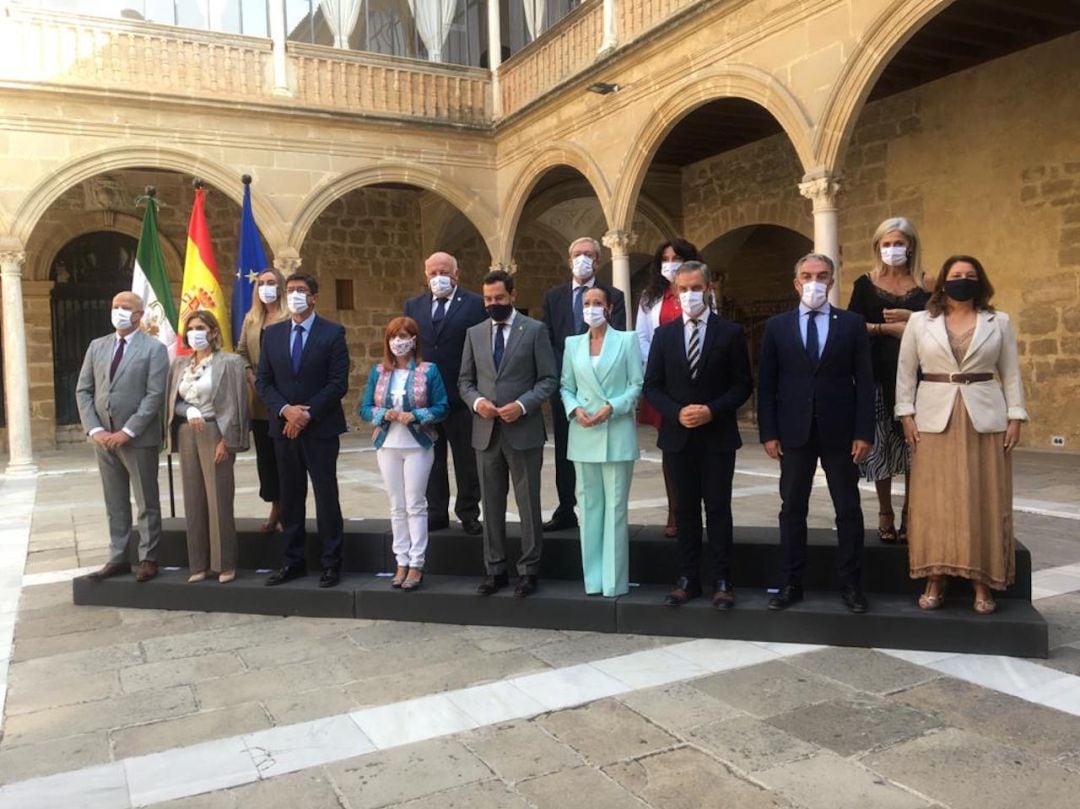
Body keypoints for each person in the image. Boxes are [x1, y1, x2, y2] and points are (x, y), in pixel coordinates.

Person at [896, 255, 1027, 615]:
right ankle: (934, 575)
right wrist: (905, 413)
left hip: (984, 416)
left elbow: (1011, 373)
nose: (963, 280)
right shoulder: (921, 322)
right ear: (942, 282)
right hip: (933, 416)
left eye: (970, 275)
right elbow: (906, 371)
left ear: (980, 281)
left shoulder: (998, 321)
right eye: (956, 275)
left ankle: (982, 580)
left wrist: (1016, 415)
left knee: (983, 497)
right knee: (934, 499)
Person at [758, 253, 874, 613]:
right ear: (796, 283)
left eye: (822, 276)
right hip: (794, 430)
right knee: (792, 508)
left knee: (848, 509)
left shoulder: (852, 324)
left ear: (832, 280)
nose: (814, 282)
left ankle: (851, 585)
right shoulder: (777, 326)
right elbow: (767, 382)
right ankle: (791, 582)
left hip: (840, 430)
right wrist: (768, 431)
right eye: (807, 275)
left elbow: (866, 382)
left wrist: (864, 431)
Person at [643, 262, 752, 608]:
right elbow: (652, 387)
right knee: (686, 511)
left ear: (708, 288)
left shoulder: (730, 333)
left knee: (718, 509)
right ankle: (688, 577)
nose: (690, 294)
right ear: (675, 291)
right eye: (683, 288)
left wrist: (711, 409)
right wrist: (676, 412)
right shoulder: (664, 335)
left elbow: (742, 384)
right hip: (678, 437)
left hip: (717, 435)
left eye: (696, 287)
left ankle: (723, 578)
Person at [460, 269, 558, 598]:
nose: (493, 304)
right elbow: (465, 381)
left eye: (499, 298)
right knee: (491, 503)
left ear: (513, 296)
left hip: (523, 429)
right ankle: (495, 568)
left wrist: (522, 404)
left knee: (528, 502)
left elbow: (548, 379)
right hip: (486, 431)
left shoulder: (534, 330)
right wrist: (477, 403)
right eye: (488, 299)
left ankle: (529, 570)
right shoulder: (474, 333)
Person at [255, 272, 350, 588]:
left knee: (326, 496)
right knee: (291, 497)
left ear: (313, 297)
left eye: (301, 290)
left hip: (320, 428)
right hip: (283, 429)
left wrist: (306, 413)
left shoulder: (333, 333)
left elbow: (338, 383)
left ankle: (331, 562)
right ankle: (293, 561)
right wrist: (287, 411)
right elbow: (264, 382)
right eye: (290, 290)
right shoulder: (272, 334)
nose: (294, 294)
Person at [76, 291, 169, 583]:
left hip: (137, 438)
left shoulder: (153, 349)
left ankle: (148, 557)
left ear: (139, 315)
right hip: (103, 439)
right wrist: (96, 430)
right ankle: (118, 556)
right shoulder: (97, 346)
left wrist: (128, 431)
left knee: (146, 501)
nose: (118, 311)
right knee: (114, 501)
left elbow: (155, 395)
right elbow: (84, 390)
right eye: (115, 306)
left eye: (125, 307)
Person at [847, 218, 930, 543]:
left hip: (920, 377)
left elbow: (941, 324)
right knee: (881, 446)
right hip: (878, 375)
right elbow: (853, 325)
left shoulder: (926, 282)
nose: (892, 249)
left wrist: (913, 321)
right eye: (886, 243)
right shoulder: (865, 284)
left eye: (898, 242)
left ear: (910, 244)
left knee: (914, 447)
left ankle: (912, 510)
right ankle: (885, 511)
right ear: (877, 247)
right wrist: (885, 329)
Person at [560, 286, 643, 597]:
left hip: (616, 433)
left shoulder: (626, 340)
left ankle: (614, 580)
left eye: (597, 303)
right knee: (590, 508)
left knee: (615, 509)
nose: (591, 308)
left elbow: (637, 384)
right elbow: (566, 385)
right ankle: (592, 579)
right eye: (586, 303)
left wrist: (613, 407)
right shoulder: (572, 344)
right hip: (583, 433)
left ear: (608, 308)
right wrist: (574, 408)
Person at [541, 237, 626, 532]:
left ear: (598, 261)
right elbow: (548, 339)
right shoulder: (554, 296)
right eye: (577, 254)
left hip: (601, 388)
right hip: (566, 387)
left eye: (589, 255)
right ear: (569, 260)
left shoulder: (614, 294)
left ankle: (599, 510)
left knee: (601, 451)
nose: (582, 259)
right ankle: (566, 508)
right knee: (565, 449)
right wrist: (565, 375)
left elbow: (618, 339)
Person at [360, 316, 449, 591]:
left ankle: (417, 563)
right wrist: (381, 413)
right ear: (388, 341)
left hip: (417, 445)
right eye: (394, 336)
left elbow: (442, 406)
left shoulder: (428, 370)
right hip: (387, 445)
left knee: (415, 504)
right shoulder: (379, 372)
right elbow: (363, 408)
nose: (399, 342)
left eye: (404, 336)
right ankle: (400, 560)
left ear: (414, 340)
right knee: (396, 505)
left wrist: (416, 415)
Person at [402, 251, 487, 535]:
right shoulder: (414, 306)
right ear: (425, 276)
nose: (438, 277)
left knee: (467, 459)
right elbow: (408, 346)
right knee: (431, 458)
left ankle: (468, 512)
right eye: (432, 273)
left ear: (456, 274)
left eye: (444, 272)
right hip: (426, 398)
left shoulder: (475, 304)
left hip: (462, 395)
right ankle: (436, 511)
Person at [167, 310, 248, 583]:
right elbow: (172, 399)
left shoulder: (230, 362)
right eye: (190, 328)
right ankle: (198, 564)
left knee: (219, 499)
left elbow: (238, 403)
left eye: (200, 327)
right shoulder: (180, 364)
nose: (195, 332)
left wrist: (228, 439)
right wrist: (187, 410)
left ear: (213, 331)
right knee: (193, 499)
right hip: (188, 431)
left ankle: (224, 563)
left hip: (216, 430)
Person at [636, 238, 702, 538]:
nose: (670, 262)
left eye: (676, 257)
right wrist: (658, 369)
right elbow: (642, 336)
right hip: (665, 384)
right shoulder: (651, 298)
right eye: (665, 258)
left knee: (702, 450)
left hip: (698, 383)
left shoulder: (699, 293)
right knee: (672, 451)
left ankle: (700, 508)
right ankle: (675, 510)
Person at [236, 267, 288, 533]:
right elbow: (242, 351)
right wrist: (250, 376)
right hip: (258, 399)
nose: (266, 287)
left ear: (281, 286)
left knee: (285, 457)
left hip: (285, 395)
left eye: (271, 282)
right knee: (266, 458)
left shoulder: (290, 316)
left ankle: (289, 510)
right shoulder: (252, 318)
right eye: (262, 283)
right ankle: (275, 507)